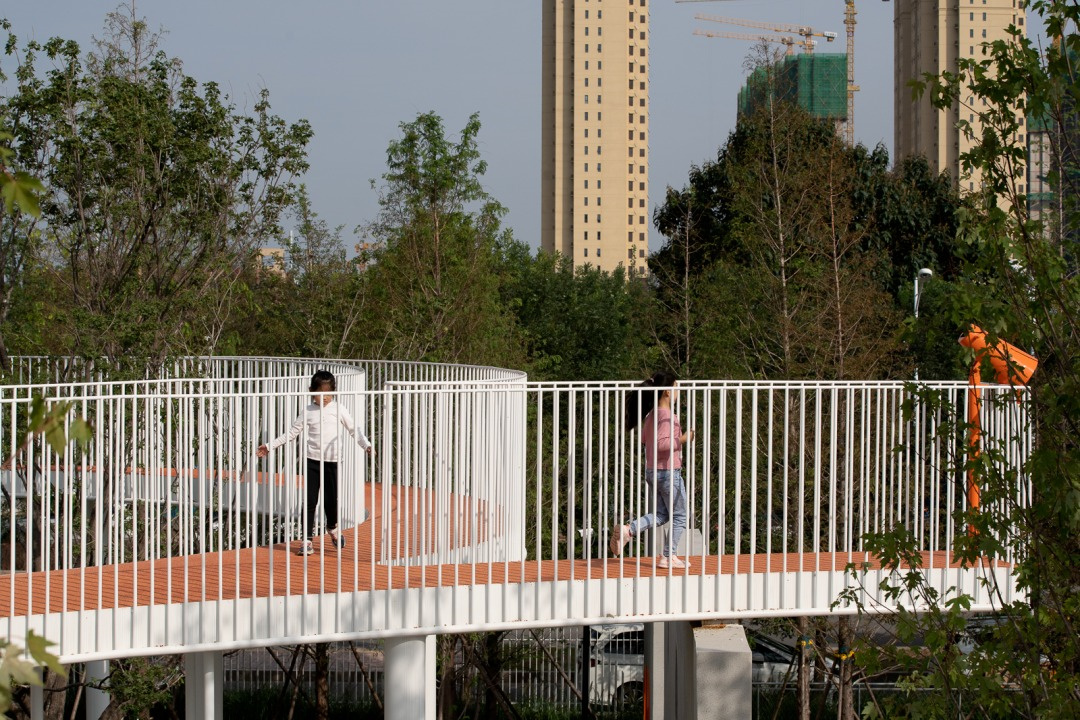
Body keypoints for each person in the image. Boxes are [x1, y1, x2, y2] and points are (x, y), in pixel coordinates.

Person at [257, 370, 374, 555]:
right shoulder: (308, 411)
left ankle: (333, 527)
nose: (324, 397)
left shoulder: (339, 409)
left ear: (333, 392)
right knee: (310, 501)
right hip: (312, 461)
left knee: (331, 502)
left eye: (328, 393)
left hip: (333, 462)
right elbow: (291, 433)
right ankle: (307, 540)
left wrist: (366, 445)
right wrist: (270, 446)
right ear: (311, 391)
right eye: (320, 393)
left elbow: (354, 430)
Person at [609, 371, 694, 569]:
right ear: (667, 391)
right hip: (668, 472)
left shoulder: (651, 415)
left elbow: (646, 440)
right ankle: (669, 556)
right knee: (681, 515)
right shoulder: (667, 416)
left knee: (662, 514)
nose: (678, 391)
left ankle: (628, 531)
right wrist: (684, 438)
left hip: (653, 471)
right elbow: (661, 444)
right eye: (676, 386)